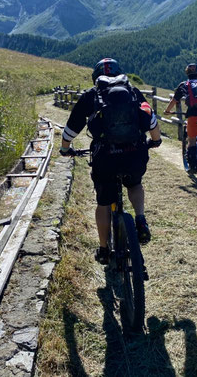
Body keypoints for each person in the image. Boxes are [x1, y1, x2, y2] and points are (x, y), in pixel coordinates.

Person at [59, 58, 162, 265]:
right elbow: (150, 119)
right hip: (134, 153)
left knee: (104, 202)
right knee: (134, 183)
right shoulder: (132, 90)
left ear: (96, 76)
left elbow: (72, 127)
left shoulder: (92, 95)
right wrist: (156, 140)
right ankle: (140, 219)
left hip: (105, 156)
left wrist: (65, 148)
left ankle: (104, 249)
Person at [163, 63, 197, 173]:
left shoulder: (184, 85)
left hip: (193, 115)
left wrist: (167, 111)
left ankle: (192, 167)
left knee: (192, 140)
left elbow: (174, 101)